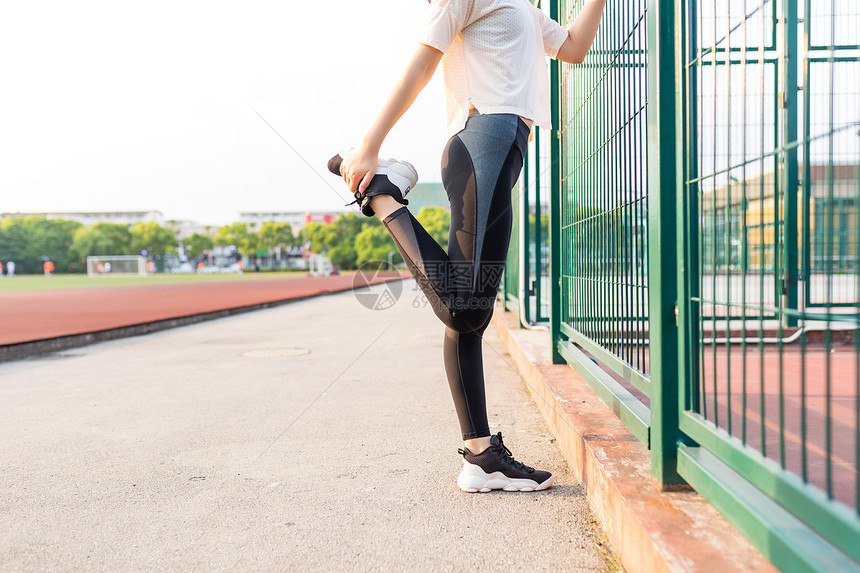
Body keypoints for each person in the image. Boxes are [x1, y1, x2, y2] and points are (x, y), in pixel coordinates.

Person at [336, 0, 605, 492]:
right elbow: (423, 59)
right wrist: (369, 144)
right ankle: (382, 195)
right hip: (483, 140)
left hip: (502, 149)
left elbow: (573, 47)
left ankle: (480, 458)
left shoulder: (522, 4)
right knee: (463, 308)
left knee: (472, 315)